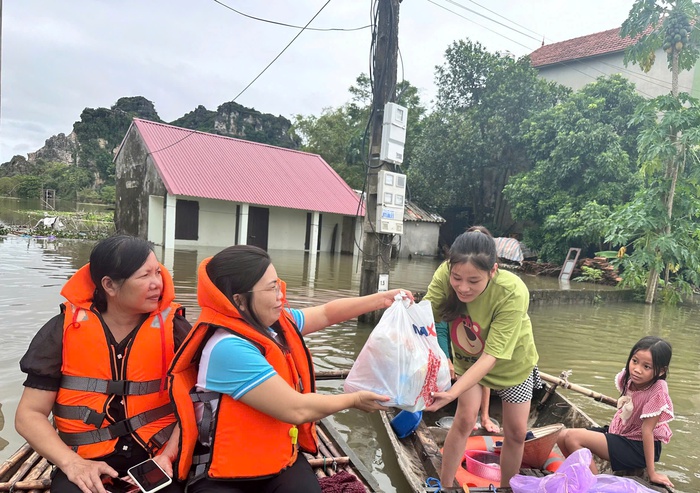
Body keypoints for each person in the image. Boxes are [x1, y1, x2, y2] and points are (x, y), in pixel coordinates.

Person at [168, 245, 413, 493]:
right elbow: (295, 409)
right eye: (271, 288)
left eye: (278, 285)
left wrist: (382, 299)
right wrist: (355, 399)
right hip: (222, 474)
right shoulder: (227, 347)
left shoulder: (273, 323)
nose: (280, 295)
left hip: (276, 461)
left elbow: (327, 313)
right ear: (239, 300)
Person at [15, 235, 190, 493]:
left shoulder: (175, 329)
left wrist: (169, 456)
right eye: (145, 276)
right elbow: (29, 415)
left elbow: (196, 403)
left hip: (158, 461)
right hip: (84, 461)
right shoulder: (64, 330)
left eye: (158, 272)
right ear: (109, 285)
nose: (158, 284)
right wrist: (73, 464)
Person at [423, 226, 541, 488]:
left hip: (513, 364)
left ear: (493, 271)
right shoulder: (445, 274)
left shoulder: (512, 291)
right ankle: (444, 485)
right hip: (468, 359)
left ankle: (506, 487)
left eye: (474, 281)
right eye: (457, 278)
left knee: (516, 433)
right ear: (450, 267)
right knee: (464, 420)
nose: (463, 288)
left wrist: (451, 393)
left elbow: (491, 357)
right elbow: (424, 319)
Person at [557, 336, 674, 489]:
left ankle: (595, 487)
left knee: (573, 438)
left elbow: (647, 431)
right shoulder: (629, 377)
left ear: (661, 371)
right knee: (561, 436)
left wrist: (652, 473)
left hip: (638, 446)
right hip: (621, 433)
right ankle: (584, 478)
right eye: (634, 361)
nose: (637, 369)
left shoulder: (658, 389)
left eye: (647, 367)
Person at [436, 320, 499, 434]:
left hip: (474, 347)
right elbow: (441, 331)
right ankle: (465, 418)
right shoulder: (446, 306)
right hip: (449, 350)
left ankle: (485, 417)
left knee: (483, 373)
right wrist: (447, 360)